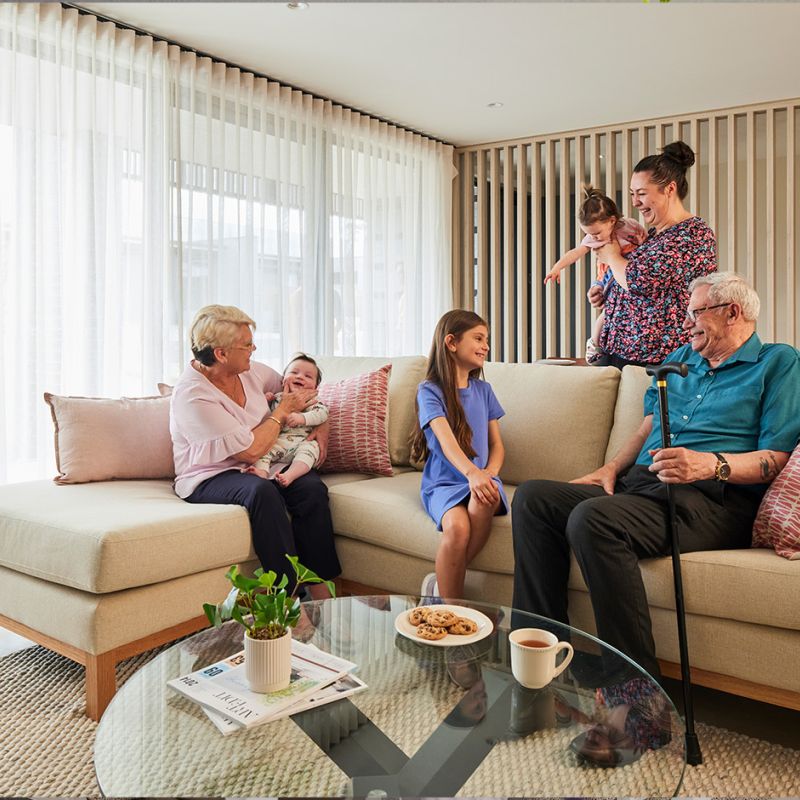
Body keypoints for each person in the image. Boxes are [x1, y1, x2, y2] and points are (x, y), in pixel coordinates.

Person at [511, 273, 800, 690]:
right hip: (646, 486)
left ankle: (635, 698)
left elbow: (776, 457)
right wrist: (612, 468)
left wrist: (709, 464)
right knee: (535, 497)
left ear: (732, 312)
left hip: (714, 499)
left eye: (695, 314)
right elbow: (649, 424)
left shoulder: (778, 362)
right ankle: (545, 661)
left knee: (593, 519)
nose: (686, 324)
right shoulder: (683, 357)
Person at [169, 305, 340, 595]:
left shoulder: (250, 372)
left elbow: (306, 397)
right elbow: (248, 451)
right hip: (210, 475)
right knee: (263, 492)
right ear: (221, 354)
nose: (254, 348)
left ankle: (324, 593)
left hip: (263, 461)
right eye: (247, 345)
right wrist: (282, 410)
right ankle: (290, 605)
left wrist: (320, 431)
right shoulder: (193, 395)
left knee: (310, 487)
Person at [588, 141, 717, 368]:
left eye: (641, 194)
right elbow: (638, 288)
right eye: (632, 194)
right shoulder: (654, 235)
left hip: (656, 360)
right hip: (622, 352)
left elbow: (641, 281)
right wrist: (607, 292)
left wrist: (611, 256)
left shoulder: (693, 234)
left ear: (670, 189)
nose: (635, 202)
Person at [411, 310, 508, 601]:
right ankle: (449, 607)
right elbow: (446, 440)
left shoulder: (485, 390)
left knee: (484, 499)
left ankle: (440, 589)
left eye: (487, 340)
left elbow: (497, 445)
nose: (486, 346)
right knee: (457, 527)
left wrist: (488, 473)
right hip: (443, 483)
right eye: (478, 338)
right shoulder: (429, 390)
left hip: (481, 478)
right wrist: (472, 474)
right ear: (451, 342)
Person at [544, 186, 647, 363]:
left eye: (597, 233)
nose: (594, 238)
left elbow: (644, 241)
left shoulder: (630, 226)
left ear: (612, 221)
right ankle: (594, 342)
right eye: (588, 234)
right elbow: (575, 252)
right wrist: (557, 267)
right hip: (606, 275)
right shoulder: (594, 238)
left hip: (627, 271)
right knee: (607, 312)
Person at [246, 354, 328, 488]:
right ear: (283, 380)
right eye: (294, 372)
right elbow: (263, 413)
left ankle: (290, 475)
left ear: (315, 387)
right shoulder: (277, 397)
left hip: (301, 443)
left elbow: (322, 414)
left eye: (308, 376)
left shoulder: (313, 403)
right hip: (278, 442)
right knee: (263, 451)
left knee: (311, 449)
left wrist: (302, 418)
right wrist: (265, 400)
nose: (300, 376)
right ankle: (262, 472)